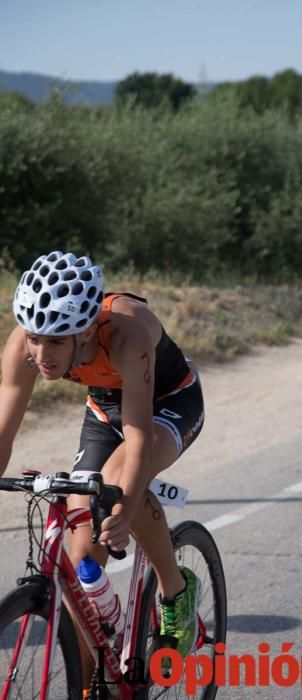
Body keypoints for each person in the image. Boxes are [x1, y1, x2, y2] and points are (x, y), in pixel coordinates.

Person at [0, 250, 205, 693]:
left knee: (113, 485)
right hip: (105, 407)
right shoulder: (26, 346)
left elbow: (137, 437)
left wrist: (124, 510)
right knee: (80, 555)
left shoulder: (128, 333)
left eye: (56, 341)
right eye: (35, 337)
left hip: (167, 403)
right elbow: (2, 433)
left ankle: (176, 591)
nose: (41, 353)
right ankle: (97, 679)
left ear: (88, 328)